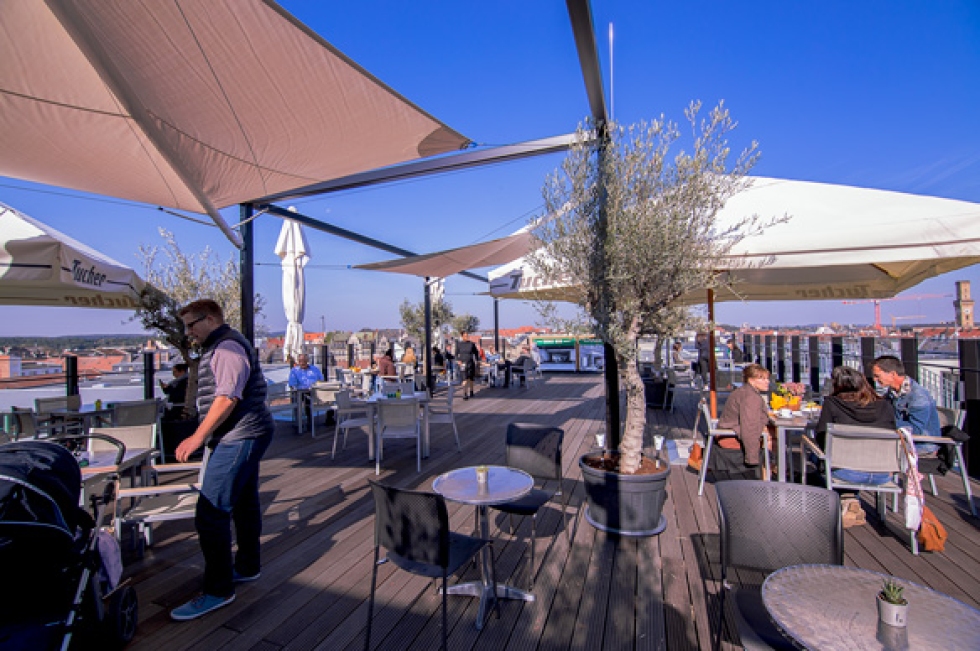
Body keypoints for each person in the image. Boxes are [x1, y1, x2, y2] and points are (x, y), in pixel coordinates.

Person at [170, 299, 275, 621]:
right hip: (246, 433)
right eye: (185, 327)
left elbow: (227, 396)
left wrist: (198, 436)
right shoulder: (224, 345)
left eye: (192, 325)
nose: (189, 333)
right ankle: (246, 567)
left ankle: (218, 589)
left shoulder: (227, 348)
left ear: (212, 318)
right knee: (244, 503)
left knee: (210, 513)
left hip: (239, 436)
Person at [813, 366, 896, 527]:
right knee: (845, 459)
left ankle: (847, 500)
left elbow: (822, 438)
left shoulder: (832, 404)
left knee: (816, 456)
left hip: (847, 473)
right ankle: (851, 501)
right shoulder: (885, 405)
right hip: (883, 474)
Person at [871, 355, 941, 454]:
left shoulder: (918, 396)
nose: (874, 380)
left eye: (877, 376)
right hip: (901, 441)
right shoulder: (893, 393)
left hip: (920, 445)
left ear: (892, 374)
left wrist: (885, 423)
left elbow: (916, 429)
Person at [716, 364, 771, 473]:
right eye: (762, 378)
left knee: (772, 433)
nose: (767, 381)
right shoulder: (751, 398)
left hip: (728, 431)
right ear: (751, 380)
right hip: (730, 437)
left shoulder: (744, 391)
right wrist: (752, 459)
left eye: (767, 378)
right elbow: (749, 428)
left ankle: (773, 470)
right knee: (775, 439)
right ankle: (771, 476)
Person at [287, 353, 323, 428]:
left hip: (315, 391)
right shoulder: (294, 371)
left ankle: (330, 418)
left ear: (307, 361)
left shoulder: (314, 369)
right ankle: (304, 421)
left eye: (304, 360)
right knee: (305, 400)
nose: (302, 362)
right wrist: (297, 388)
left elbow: (321, 379)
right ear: (298, 361)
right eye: (300, 361)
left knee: (331, 395)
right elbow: (292, 384)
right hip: (301, 392)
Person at [456, 334, 479, 399]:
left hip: (470, 363)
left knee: (471, 378)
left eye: (467, 336)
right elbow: (456, 354)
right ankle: (464, 393)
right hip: (462, 363)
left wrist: (477, 360)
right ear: (462, 337)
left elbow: (476, 352)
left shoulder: (471, 344)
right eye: (465, 336)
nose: (467, 337)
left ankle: (471, 391)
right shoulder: (459, 344)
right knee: (464, 378)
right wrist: (458, 360)